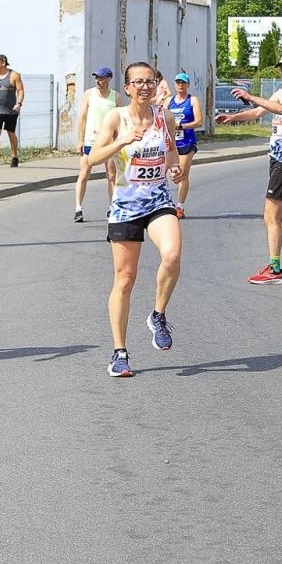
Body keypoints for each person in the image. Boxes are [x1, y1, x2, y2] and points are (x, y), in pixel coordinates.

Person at [88, 62, 185, 377]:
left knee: (172, 255)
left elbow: (171, 151)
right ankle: (119, 353)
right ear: (127, 88)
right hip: (126, 206)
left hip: (157, 200)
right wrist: (122, 140)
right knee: (125, 279)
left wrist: (174, 168)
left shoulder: (164, 117)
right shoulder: (116, 118)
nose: (145, 87)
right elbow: (93, 157)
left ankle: (158, 314)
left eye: (150, 81)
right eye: (138, 82)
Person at [217, 53, 282, 285]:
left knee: (270, 216)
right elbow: (258, 112)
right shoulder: (280, 92)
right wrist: (233, 117)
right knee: (278, 218)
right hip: (276, 159)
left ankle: (275, 269)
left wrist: (250, 95)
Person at [74, 67, 119, 223]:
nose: (98, 81)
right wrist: (80, 140)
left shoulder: (116, 97)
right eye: (97, 78)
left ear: (109, 79)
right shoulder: (89, 94)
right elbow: (82, 118)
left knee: (111, 175)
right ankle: (78, 208)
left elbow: (120, 120)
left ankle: (112, 207)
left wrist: (118, 140)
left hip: (108, 142)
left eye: (101, 78)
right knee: (84, 174)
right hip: (90, 141)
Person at [166, 71, 202, 217]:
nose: (180, 85)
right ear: (175, 85)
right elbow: (162, 118)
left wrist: (181, 126)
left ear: (188, 85)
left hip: (186, 142)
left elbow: (198, 122)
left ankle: (179, 207)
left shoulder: (192, 100)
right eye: (178, 82)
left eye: (183, 83)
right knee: (162, 174)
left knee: (182, 174)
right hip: (170, 143)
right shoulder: (169, 101)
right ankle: (164, 204)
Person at [0, 54, 25, 168]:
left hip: (11, 110)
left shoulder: (14, 75)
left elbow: (20, 90)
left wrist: (18, 103)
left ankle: (15, 157)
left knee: (10, 133)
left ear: (3, 63)